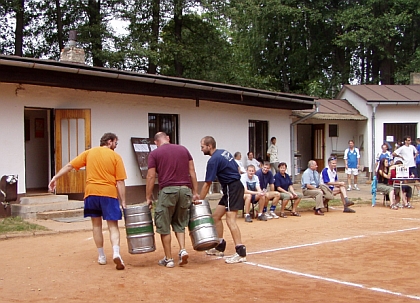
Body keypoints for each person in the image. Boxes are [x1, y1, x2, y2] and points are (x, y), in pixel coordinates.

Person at [48, 132, 127, 270]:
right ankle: (116, 253)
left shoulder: (89, 153)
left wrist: (55, 177)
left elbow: (69, 166)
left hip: (91, 193)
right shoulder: (116, 157)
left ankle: (101, 256)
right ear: (109, 142)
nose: (116, 145)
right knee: (113, 226)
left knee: (96, 225)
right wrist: (123, 201)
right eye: (115, 143)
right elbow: (120, 181)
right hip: (108, 194)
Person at [146, 132, 200, 268]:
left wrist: (148, 197)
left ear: (155, 142)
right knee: (179, 222)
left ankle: (169, 258)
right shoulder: (183, 149)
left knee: (164, 224)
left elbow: (151, 176)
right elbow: (192, 172)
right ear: (168, 138)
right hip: (185, 190)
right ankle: (182, 250)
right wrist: (195, 192)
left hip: (168, 190)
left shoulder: (155, 154)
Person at [199, 136, 247, 264]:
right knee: (216, 217)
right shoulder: (224, 152)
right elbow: (237, 169)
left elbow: (207, 184)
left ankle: (240, 252)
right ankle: (219, 246)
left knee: (230, 220)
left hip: (232, 188)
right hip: (230, 188)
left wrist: (199, 200)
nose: (201, 149)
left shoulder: (213, 160)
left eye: (202, 147)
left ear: (209, 146)